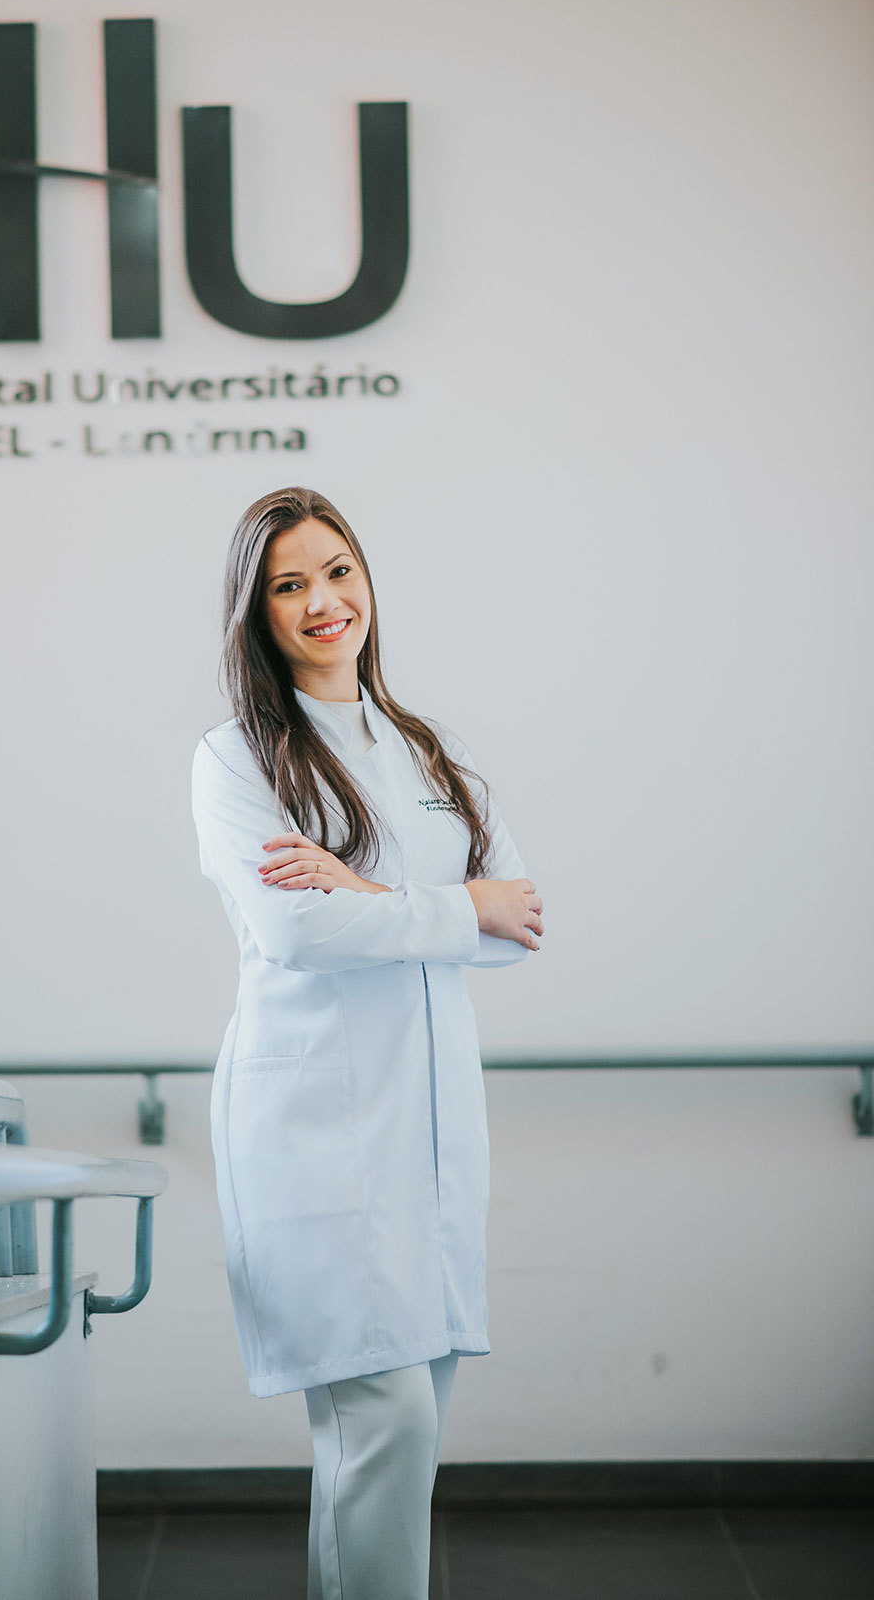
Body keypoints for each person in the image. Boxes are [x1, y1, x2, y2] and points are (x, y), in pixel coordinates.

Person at [190, 486, 544, 1600]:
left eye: (337, 571)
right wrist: (450, 907)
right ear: (256, 612)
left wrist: (372, 893)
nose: (323, 601)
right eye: (289, 585)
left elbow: (518, 924)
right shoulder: (237, 759)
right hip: (318, 1137)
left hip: (430, 1134)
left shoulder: (427, 750)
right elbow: (298, 932)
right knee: (381, 1424)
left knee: (410, 1424)